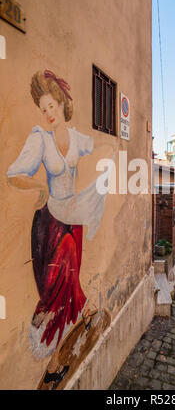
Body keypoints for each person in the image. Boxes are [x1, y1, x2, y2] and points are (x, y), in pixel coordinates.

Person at [7, 70, 110, 386]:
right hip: (50, 223)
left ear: (63, 103)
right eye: (43, 109)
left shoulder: (78, 139)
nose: (49, 113)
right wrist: (39, 187)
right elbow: (14, 173)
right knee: (56, 288)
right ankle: (84, 312)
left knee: (68, 282)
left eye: (52, 105)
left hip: (74, 218)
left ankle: (53, 364)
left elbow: (101, 144)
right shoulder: (40, 138)